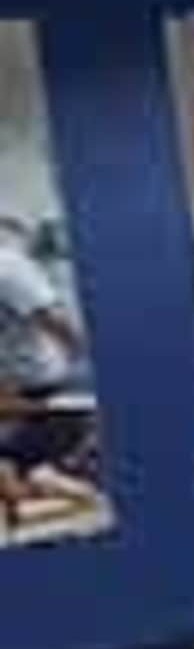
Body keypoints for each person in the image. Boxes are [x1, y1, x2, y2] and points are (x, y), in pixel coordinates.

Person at [0, 216, 101, 522]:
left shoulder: (7, 269)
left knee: (17, 462)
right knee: (19, 466)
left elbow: (60, 325)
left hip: (57, 388)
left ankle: (86, 493)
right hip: (23, 392)